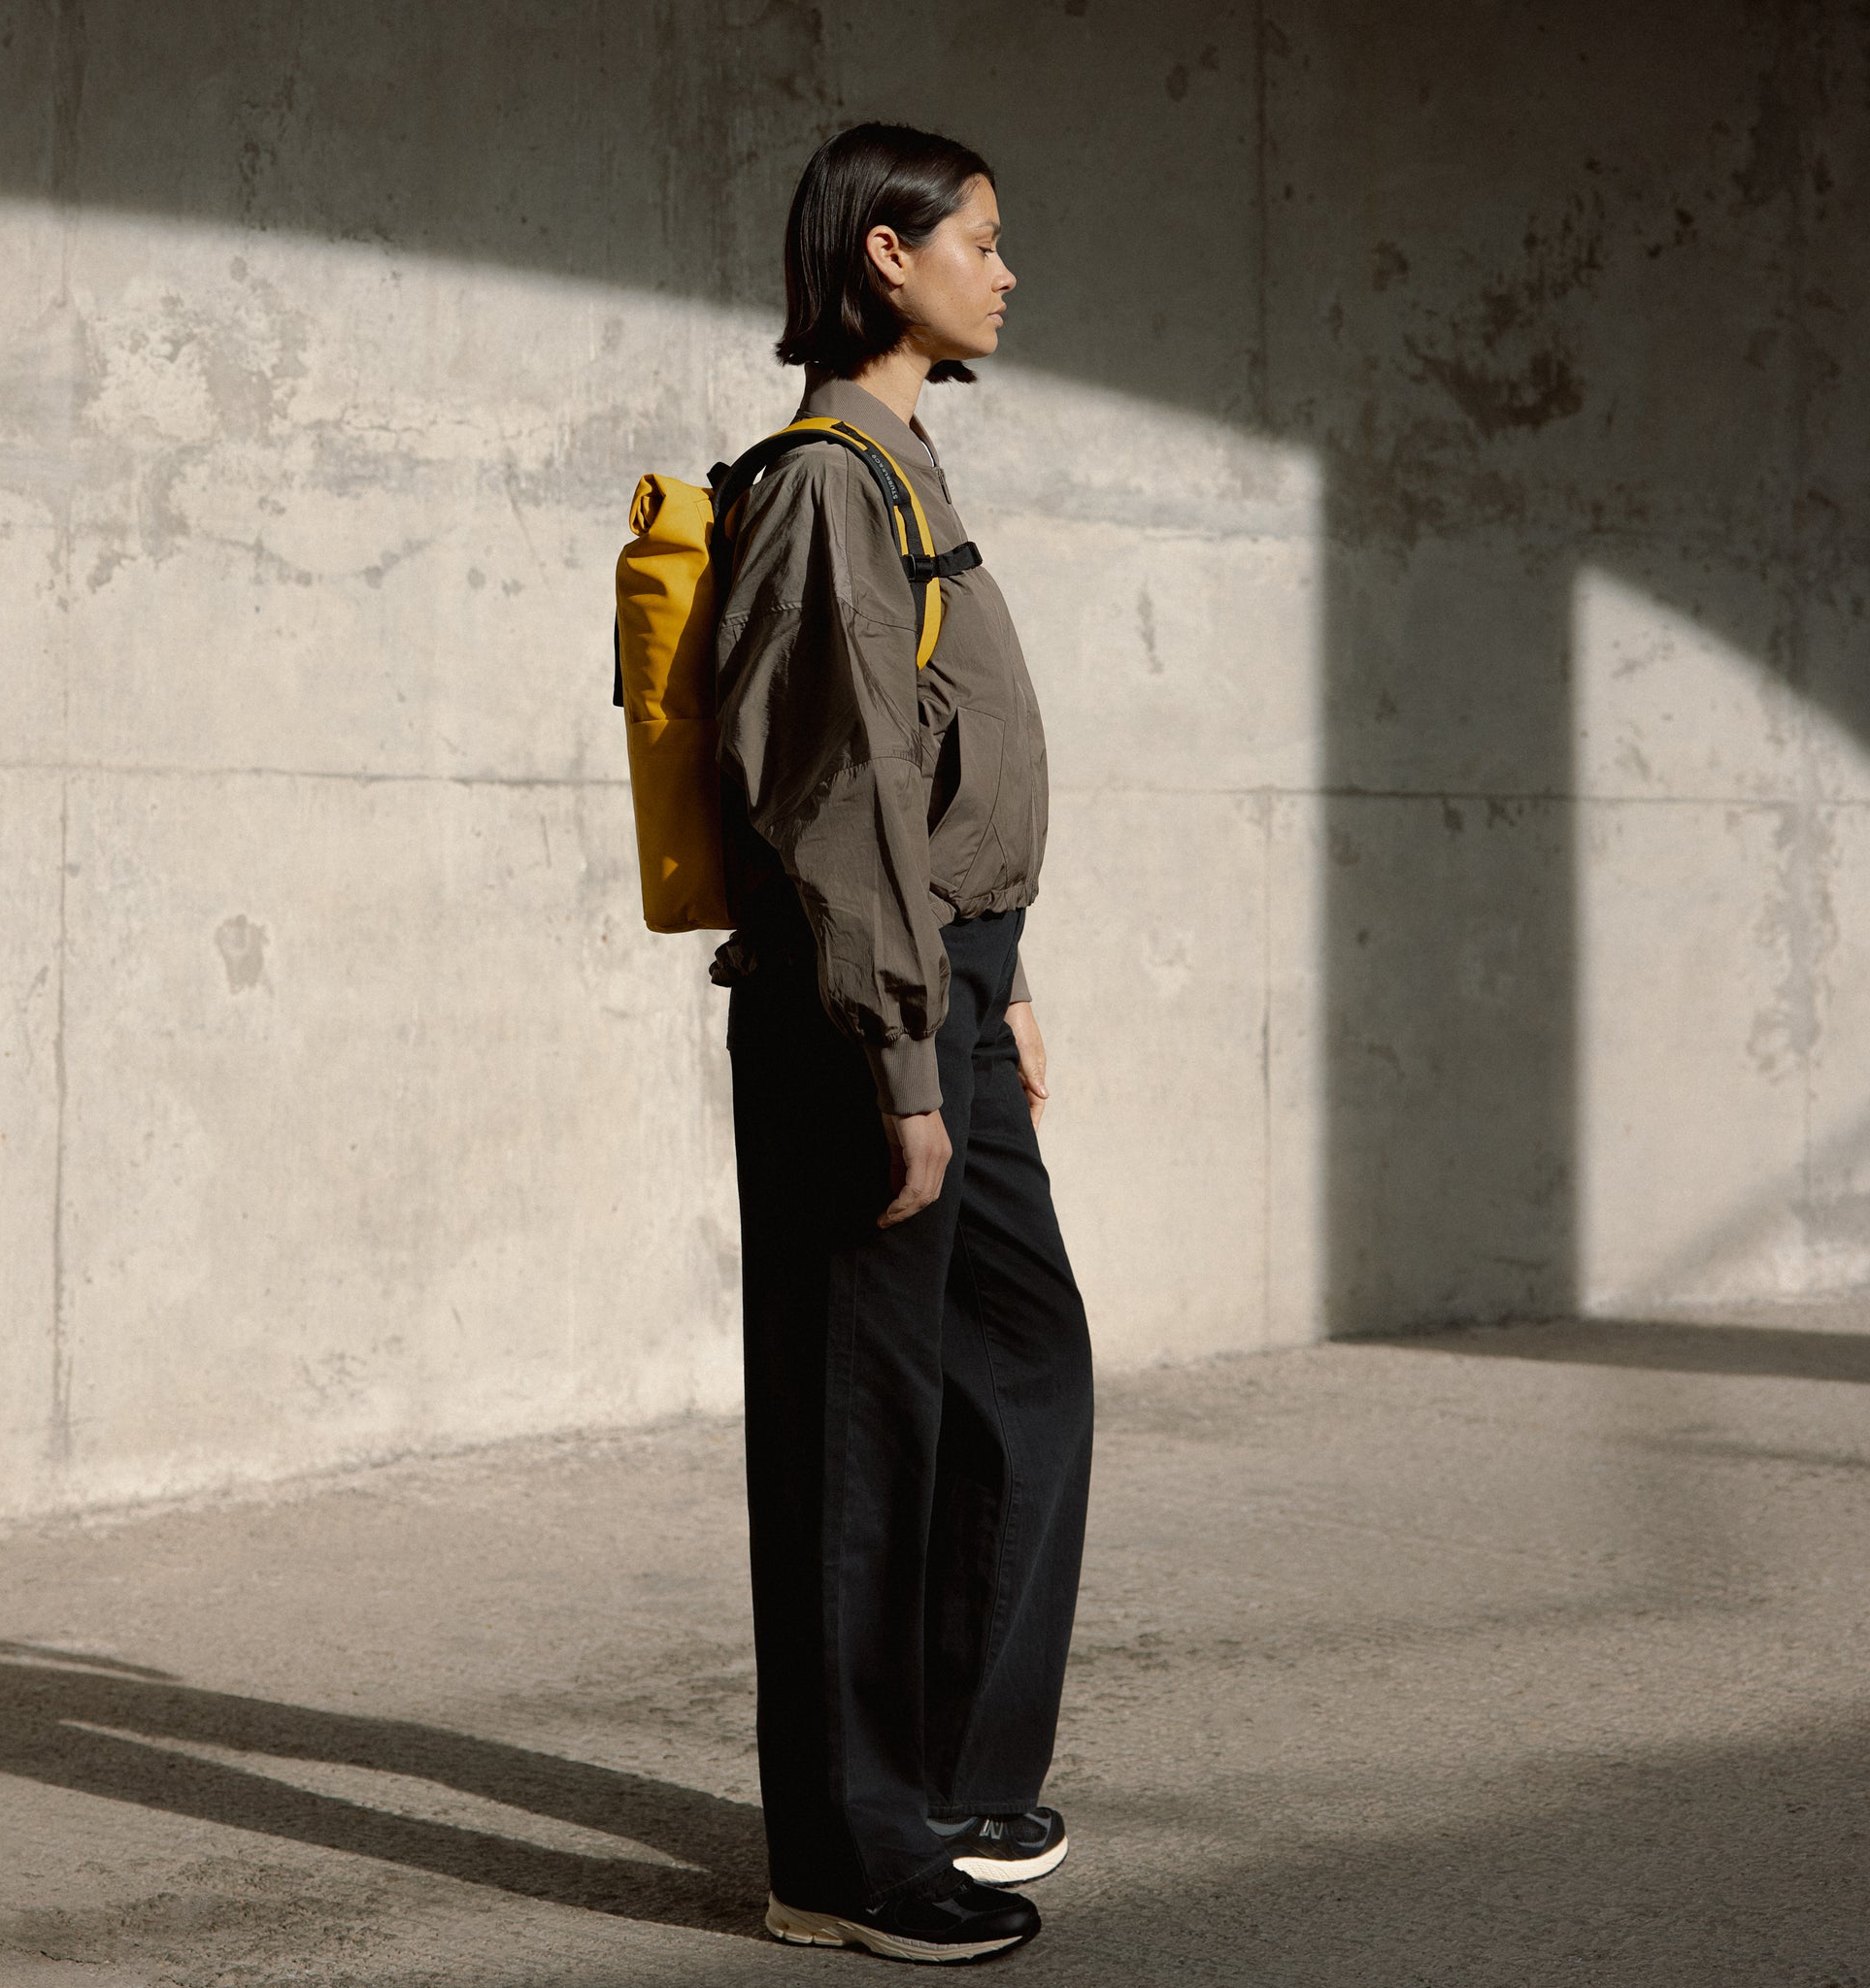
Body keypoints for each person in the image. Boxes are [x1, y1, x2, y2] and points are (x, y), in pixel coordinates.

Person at [714, 122, 1094, 1966]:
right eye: (986, 242)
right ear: (888, 254)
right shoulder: (820, 483)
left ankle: (938, 1772)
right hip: (862, 1010)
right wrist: (899, 1058)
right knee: (856, 1442)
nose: (1008, 273)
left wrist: (1003, 975)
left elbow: (944, 757)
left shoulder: (909, 466)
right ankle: (843, 1860)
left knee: (1018, 1362)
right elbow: (834, 787)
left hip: (951, 976)